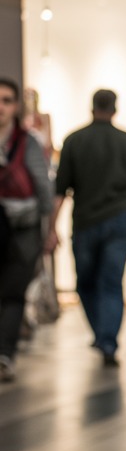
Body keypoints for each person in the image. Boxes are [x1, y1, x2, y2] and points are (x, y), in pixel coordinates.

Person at [48, 89, 126, 368]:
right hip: (120, 220)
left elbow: (60, 191)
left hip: (84, 222)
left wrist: (51, 228)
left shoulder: (73, 140)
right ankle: (107, 341)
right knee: (111, 283)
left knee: (86, 283)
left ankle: (101, 335)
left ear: (91, 107)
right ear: (115, 108)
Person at [0, 77, 54, 383]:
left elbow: (43, 186)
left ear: (16, 106)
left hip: (23, 227)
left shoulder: (28, 141)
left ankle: (4, 354)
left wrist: (48, 229)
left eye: (7, 100)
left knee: (13, 291)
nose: (1, 107)